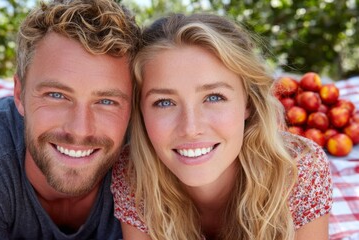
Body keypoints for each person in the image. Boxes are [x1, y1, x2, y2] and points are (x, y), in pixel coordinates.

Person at [111, 13, 332, 240]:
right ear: (141, 111)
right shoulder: (133, 175)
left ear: (248, 101)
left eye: (214, 97)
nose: (190, 127)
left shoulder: (299, 171)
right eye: (164, 102)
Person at [0, 0, 140, 239]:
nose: (79, 130)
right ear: (19, 95)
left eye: (106, 101)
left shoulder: (151, 156)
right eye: (56, 95)